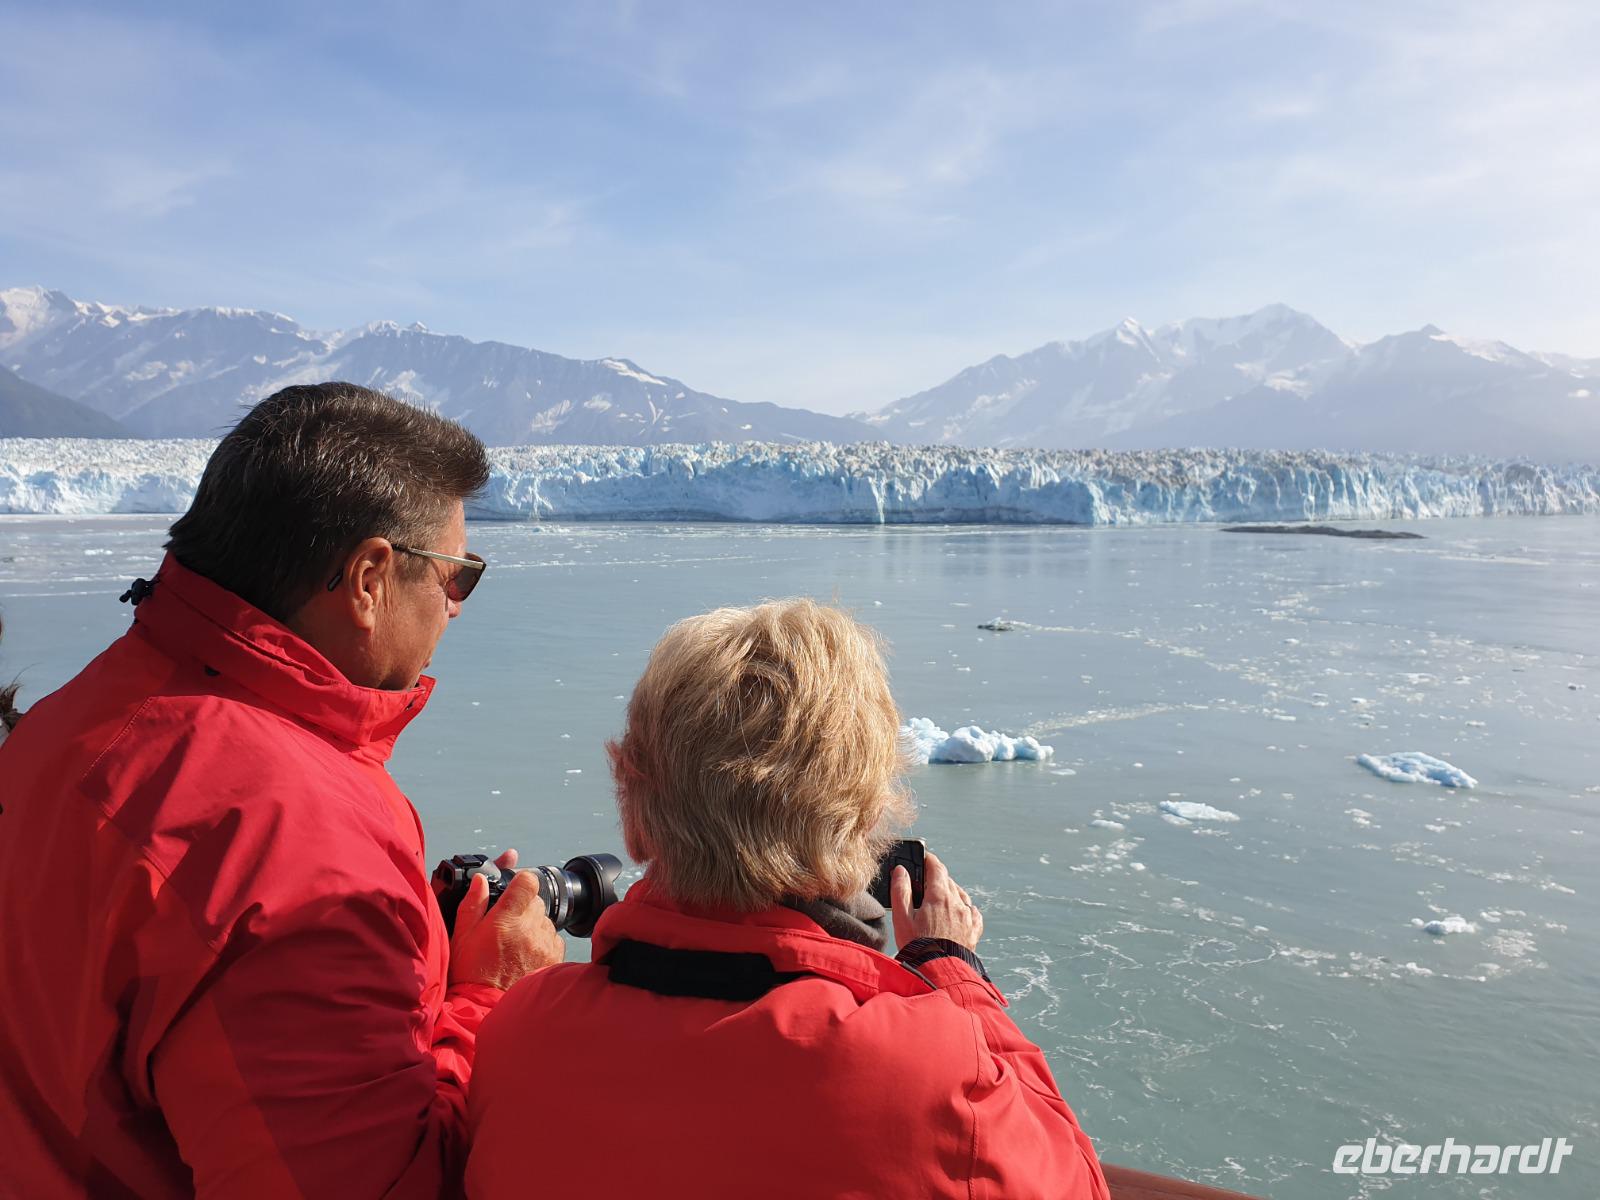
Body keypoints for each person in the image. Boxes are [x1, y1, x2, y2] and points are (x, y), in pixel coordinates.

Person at [0, 383, 564, 1199]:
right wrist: (487, 998)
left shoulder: (79, 717)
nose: (455, 609)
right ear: (369, 578)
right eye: (457, 577)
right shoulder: (294, 855)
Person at [465, 599, 1109, 1199]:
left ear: (634, 812)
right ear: (861, 823)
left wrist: (476, 992)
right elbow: (1077, 1184)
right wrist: (953, 972)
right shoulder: (927, 1072)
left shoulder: (520, 1035)